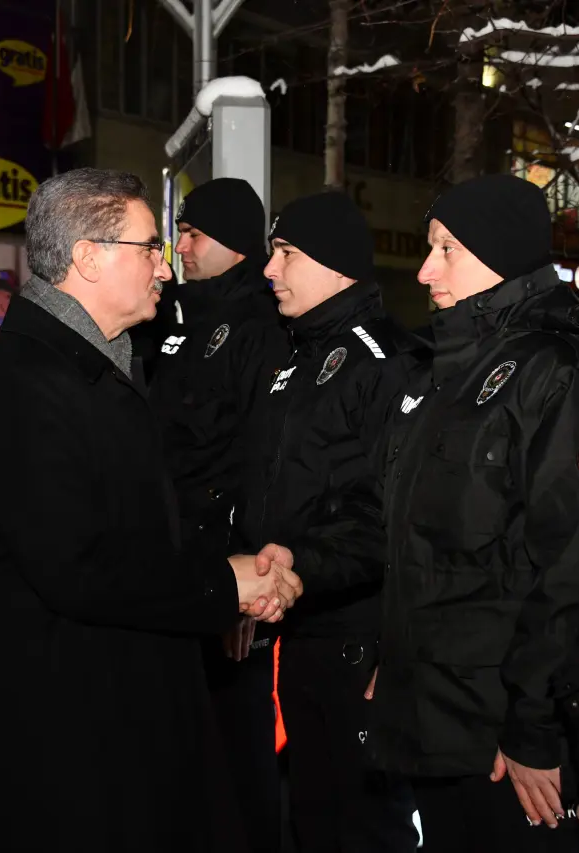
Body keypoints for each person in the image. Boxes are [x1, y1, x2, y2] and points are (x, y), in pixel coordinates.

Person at [0, 168, 303, 853]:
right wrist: (221, 585)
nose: (165, 268)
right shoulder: (27, 386)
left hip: (110, 724)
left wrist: (227, 574)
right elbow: (79, 569)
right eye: (150, 248)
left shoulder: (95, 368)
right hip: (62, 753)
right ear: (87, 257)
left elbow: (141, 531)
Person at [269, 175, 579, 853]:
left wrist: (535, 728)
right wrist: (310, 568)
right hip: (437, 711)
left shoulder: (560, 370)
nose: (426, 270)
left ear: (500, 252)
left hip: (502, 734)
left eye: (447, 249)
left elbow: (572, 565)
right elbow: (409, 530)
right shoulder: (453, 370)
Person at [234, 191, 420, 853]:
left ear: (336, 265)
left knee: (364, 826)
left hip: (357, 639)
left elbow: (391, 517)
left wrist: (299, 565)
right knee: (310, 816)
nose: (269, 269)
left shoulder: (386, 361)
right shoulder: (297, 356)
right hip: (298, 628)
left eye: (287, 253)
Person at [147, 177, 290, 853]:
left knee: (239, 754)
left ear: (233, 243)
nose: (180, 248)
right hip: (178, 571)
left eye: (193, 234)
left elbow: (259, 465)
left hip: (225, 579)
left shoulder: (260, 331)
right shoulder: (178, 322)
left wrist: (241, 590)